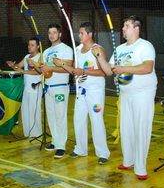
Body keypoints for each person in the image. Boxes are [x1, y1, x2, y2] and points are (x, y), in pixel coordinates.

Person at [93, 15, 157, 180]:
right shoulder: (120, 48)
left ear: (137, 28)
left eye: (127, 25)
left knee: (141, 129)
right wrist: (100, 57)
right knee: (126, 128)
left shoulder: (145, 46)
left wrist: (123, 68)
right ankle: (129, 160)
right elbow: (109, 71)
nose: (123, 28)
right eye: (123, 25)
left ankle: (141, 167)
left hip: (143, 93)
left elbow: (147, 68)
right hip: (125, 94)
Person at [54, 22, 110, 164]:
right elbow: (75, 70)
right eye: (78, 33)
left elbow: (104, 72)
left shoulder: (98, 50)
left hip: (95, 92)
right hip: (81, 92)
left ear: (89, 34)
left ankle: (103, 152)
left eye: (81, 33)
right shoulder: (78, 50)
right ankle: (80, 149)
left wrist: (84, 71)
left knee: (96, 121)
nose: (79, 36)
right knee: (78, 120)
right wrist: (62, 64)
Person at [35, 23, 73, 158]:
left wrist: (50, 68)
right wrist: (35, 65)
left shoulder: (66, 49)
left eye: (54, 32)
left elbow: (67, 67)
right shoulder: (45, 52)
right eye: (50, 32)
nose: (52, 35)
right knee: (51, 116)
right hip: (48, 88)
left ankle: (61, 146)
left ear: (60, 34)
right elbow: (43, 70)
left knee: (60, 116)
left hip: (60, 87)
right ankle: (55, 141)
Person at [6, 37, 42, 138]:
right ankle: (28, 133)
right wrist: (13, 66)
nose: (29, 47)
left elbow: (39, 71)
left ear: (38, 46)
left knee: (34, 111)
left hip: (35, 88)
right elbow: (19, 67)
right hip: (26, 88)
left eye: (32, 45)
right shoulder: (27, 56)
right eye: (28, 45)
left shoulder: (40, 57)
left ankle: (36, 134)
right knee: (25, 111)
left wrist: (24, 71)